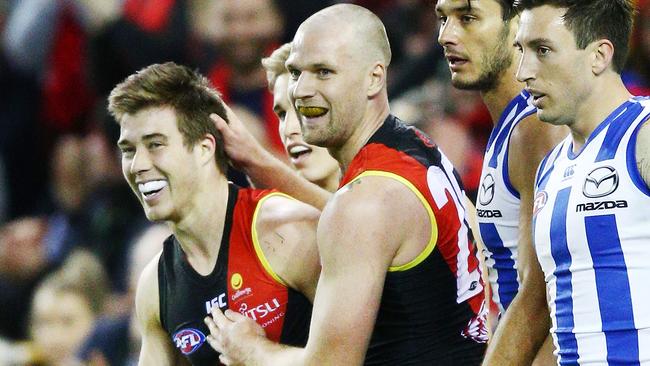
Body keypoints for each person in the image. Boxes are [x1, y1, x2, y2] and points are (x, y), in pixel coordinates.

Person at [204, 4, 487, 365]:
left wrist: (250, 350)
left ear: (374, 78)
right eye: (296, 73)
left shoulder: (363, 203)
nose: (301, 90)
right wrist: (260, 163)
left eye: (323, 72)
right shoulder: (415, 147)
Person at [108, 62, 321, 365]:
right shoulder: (155, 285)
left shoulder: (285, 230)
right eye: (128, 150)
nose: (137, 165)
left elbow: (371, 354)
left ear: (205, 148)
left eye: (155, 145)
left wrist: (260, 355)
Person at [486, 0, 650, 364]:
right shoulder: (550, 167)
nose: (523, 72)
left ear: (599, 56)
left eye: (542, 50)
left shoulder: (643, 136)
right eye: (521, 51)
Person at [434, 0, 567, 361]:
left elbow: (545, 300)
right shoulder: (511, 128)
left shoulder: (536, 128)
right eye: (443, 19)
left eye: (468, 18)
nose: (446, 35)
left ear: (518, 27)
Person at [262, 42, 340, 193]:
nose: (289, 129)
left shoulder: (392, 189)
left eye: (306, 109)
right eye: (282, 115)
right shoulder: (277, 211)